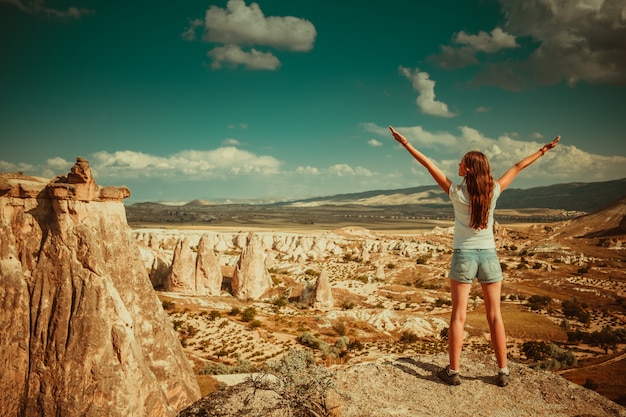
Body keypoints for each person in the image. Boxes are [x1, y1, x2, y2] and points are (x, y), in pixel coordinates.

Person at [389, 125, 560, 387]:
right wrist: (543, 150)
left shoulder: (457, 193)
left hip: (464, 256)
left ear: (468, 169)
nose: (457, 164)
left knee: (459, 315)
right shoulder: (493, 192)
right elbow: (517, 167)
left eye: (461, 162)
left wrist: (405, 143)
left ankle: (453, 372)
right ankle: (503, 371)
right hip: (490, 256)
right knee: (495, 315)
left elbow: (428, 164)